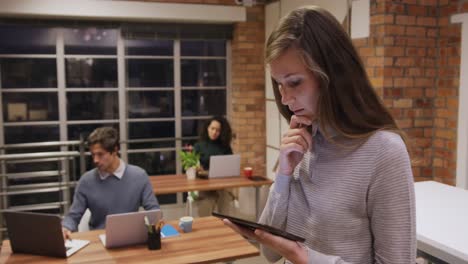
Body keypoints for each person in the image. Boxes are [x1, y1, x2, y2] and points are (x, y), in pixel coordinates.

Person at [224, 6, 416, 264]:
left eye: (294, 82)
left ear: (333, 75)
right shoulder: (303, 140)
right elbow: (269, 253)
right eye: (279, 84)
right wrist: (283, 175)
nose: (285, 98)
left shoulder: (385, 152)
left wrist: (303, 257)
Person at [62, 127, 160, 239]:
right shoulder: (86, 181)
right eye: (93, 155)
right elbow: (73, 216)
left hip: (130, 239)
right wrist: (66, 227)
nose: (95, 160)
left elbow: (154, 211)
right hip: (98, 241)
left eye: (100, 154)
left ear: (115, 150)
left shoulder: (139, 176)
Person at [192, 116, 235, 216]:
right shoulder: (199, 146)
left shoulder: (225, 147)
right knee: (206, 208)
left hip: (221, 184)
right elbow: (192, 167)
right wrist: (197, 169)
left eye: (218, 130)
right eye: (212, 129)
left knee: (224, 201)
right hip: (205, 186)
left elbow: (230, 165)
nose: (214, 132)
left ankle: (224, 227)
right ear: (207, 128)